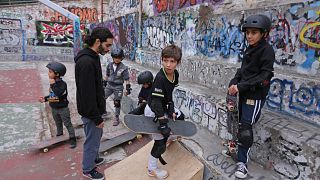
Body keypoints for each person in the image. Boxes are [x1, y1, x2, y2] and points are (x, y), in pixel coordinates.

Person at [227, 14, 275, 179]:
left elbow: (264, 76)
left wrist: (240, 86)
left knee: (245, 129)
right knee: (236, 123)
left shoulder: (267, 50)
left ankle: (242, 164)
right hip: (243, 93)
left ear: (263, 33)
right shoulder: (250, 48)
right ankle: (234, 149)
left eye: (254, 32)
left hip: (254, 96)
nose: (249, 36)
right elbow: (243, 71)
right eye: (247, 32)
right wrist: (233, 82)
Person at [74, 27, 114, 180]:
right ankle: (88, 169)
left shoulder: (94, 56)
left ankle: (93, 158)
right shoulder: (86, 62)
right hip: (91, 111)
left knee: (96, 136)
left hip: (95, 109)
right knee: (92, 140)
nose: (109, 49)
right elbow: (87, 94)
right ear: (98, 41)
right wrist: (97, 118)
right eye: (107, 45)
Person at [144, 45, 183, 179]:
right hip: (154, 111)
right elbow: (155, 103)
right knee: (160, 143)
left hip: (163, 107)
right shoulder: (160, 78)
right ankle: (152, 168)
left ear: (178, 62)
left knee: (180, 116)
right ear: (161, 59)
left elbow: (169, 94)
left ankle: (169, 138)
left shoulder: (175, 75)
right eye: (165, 60)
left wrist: (171, 109)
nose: (168, 64)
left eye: (172, 61)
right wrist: (162, 123)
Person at [39, 61, 77, 149]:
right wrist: (44, 99)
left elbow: (58, 93)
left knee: (67, 124)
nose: (48, 73)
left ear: (57, 74)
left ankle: (72, 139)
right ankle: (59, 137)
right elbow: (53, 96)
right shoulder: (53, 83)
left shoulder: (62, 84)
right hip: (54, 108)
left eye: (50, 71)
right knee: (58, 124)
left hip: (63, 109)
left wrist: (52, 85)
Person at [104, 47, 131, 126]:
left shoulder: (124, 68)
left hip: (118, 87)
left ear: (121, 58)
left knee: (117, 102)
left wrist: (128, 89)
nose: (117, 59)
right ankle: (102, 112)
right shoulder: (109, 65)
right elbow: (107, 75)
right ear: (112, 57)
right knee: (102, 98)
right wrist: (104, 83)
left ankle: (116, 117)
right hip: (109, 85)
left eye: (119, 58)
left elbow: (127, 79)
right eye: (115, 57)